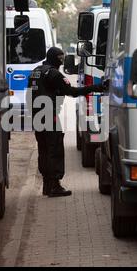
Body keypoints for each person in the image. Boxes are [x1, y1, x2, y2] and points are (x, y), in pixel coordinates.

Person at [28, 47, 108, 197]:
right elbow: (72, 92)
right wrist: (97, 87)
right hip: (49, 116)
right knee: (55, 149)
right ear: (54, 58)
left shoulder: (35, 72)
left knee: (43, 149)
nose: (62, 60)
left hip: (36, 116)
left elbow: (31, 94)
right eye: (60, 57)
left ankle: (47, 185)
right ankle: (54, 186)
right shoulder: (53, 73)